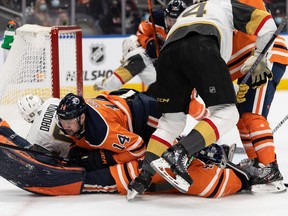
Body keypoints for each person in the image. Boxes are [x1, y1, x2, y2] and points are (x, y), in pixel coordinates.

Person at [127, 0, 277, 200]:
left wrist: (229, 89)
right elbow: (268, 23)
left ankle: (143, 177)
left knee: (171, 122)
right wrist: (260, 56)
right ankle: (180, 152)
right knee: (228, 113)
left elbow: (199, 75)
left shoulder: (188, 11)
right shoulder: (224, 4)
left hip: (168, 55)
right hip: (202, 45)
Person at [0, 119, 260, 197]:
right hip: (126, 173)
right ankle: (5, 135)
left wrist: (246, 176)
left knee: (65, 169)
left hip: (124, 174)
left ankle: (5, 134)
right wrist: (247, 176)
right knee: (64, 171)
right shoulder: (209, 174)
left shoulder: (189, 151)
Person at [227, 0, 288, 192]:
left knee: (253, 114)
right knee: (241, 116)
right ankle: (257, 162)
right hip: (249, 63)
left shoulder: (237, 3)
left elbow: (264, 22)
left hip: (265, 57)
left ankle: (270, 168)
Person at [56, 89, 162, 170]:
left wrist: (107, 158)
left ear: (82, 118)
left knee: (169, 141)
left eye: (69, 123)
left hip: (147, 114)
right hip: (125, 99)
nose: (65, 127)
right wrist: (75, 147)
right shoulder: (81, 114)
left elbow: (138, 147)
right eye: (62, 121)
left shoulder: (101, 131)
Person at [94, 0, 187, 91]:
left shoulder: (187, 30)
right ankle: (103, 83)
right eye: (170, 20)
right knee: (115, 83)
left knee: (161, 89)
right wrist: (149, 42)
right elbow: (142, 31)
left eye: (175, 21)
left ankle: (103, 83)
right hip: (147, 55)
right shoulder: (157, 19)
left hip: (163, 61)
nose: (172, 24)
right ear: (165, 15)